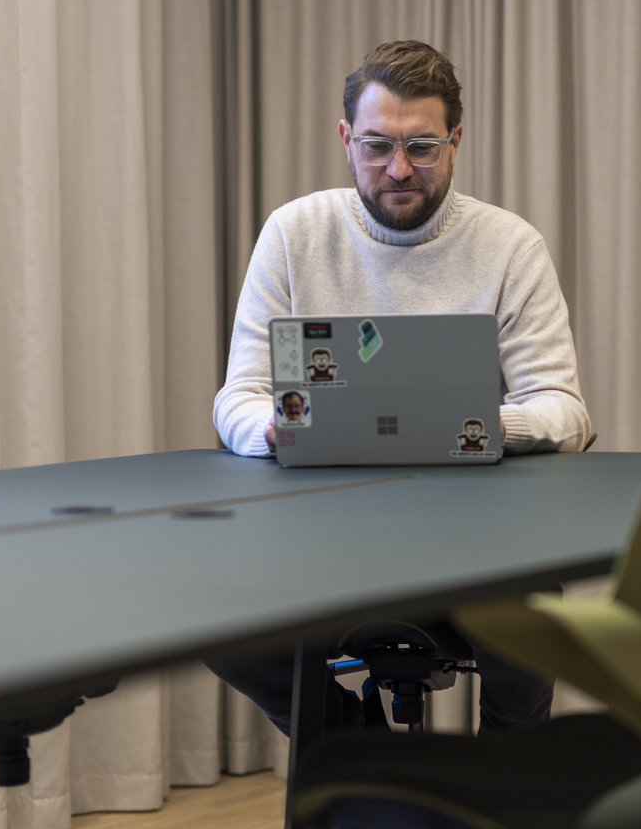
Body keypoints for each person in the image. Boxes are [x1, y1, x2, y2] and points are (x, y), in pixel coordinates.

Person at [208, 40, 589, 739]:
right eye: (378, 145)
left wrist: (478, 423)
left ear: (456, 141)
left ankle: (499, 813)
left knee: (533, 617)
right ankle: (357, 765)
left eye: (423, 146)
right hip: (320, 552)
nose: (399, 168)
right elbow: (238, 397)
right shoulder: (295, 234)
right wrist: (277, 428)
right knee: (206, 614)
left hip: (479, 551)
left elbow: (565, 408)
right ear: (346, 138)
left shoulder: (509, 246)